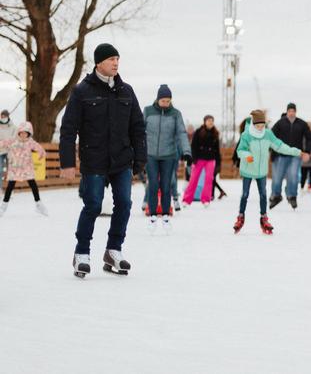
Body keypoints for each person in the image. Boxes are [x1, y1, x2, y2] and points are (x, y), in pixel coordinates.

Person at [59, 43, 146, 278]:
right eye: (111, 59)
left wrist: (140, 158)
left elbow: (138, 127)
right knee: (93, 205)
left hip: (121, 160)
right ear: (99, 63)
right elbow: (68, 129)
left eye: (118, 59)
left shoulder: (126, 91)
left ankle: (113, 250)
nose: (116, 63)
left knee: (125, 204)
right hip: (94, 159)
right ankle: (82, 253)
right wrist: (67, 162)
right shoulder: (82, 91)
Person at [234, 109, 309, 234]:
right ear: (253, 124)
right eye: (258, 125)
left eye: (262, 125)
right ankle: (240, 217)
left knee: (263, 195)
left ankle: (264, 218)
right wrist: (246, 155)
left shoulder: (267, 134)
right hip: (248, 169)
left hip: (261, 171)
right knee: (245, 194)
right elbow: (240, 150)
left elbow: (280, 146)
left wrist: (298, 152)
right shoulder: (246, 135)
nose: (260, 128)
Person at [143, 84, 191, 233]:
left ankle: (165, 215)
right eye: (163, 100)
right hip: (150, 154)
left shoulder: (175, 114)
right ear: (158, 99)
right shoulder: (148, 111)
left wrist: (186, 151)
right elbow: (139, 130)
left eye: (168, 101)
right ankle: (152, 216)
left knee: (166, 185)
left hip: (169, 155)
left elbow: (182, 132)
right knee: (152, 185)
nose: (165, 103)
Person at [269, 102, 311, 210]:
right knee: (277, 177)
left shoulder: (301, 124)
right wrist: (272, 149)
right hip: (281, 155)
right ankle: (276, 196)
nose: (291, 113)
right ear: (287, 111)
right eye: (289, 111)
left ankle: (292, 196)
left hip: (295, 155)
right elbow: (271, 136)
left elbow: (309, 138)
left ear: (295, 112)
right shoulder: (280, 123)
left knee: (293, 176)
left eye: (293, 111)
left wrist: (307, 151)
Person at [0, 121, 47, 216]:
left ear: (29, 134)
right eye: (21, 133)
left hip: (27, 168)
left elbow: (39, 147)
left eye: (25, 133)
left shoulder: (30, 142)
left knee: (33, 185)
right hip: (15, 168)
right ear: (18, 133)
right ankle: (3, 207)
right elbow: (3, 143)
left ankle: (38, 204)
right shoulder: (13, 140)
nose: (23, 135)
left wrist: (41, 153)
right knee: (10, 187)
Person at [182, 115, 221, 206]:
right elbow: (193, 147)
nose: (210, 122)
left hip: (210, 160)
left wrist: (218, 163)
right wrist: (194, 159)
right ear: (205, 122)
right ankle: (186, 199)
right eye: (208, 120)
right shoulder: (198, 132)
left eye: (212, 120)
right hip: (199, 159)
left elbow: (217, 150)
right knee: (193, 179)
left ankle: (206, 199)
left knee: (208, 180)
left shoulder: (215, 133)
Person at [0, 109, 15, 188]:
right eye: (1, 116)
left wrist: (8, 143)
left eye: (4, 116)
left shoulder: (13, 126)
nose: (3, 117)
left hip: (10, 150)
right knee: (0, 170)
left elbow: (15, 137)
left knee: (11, 171)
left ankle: (10, 189)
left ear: (8, 116)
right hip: (1, 150)